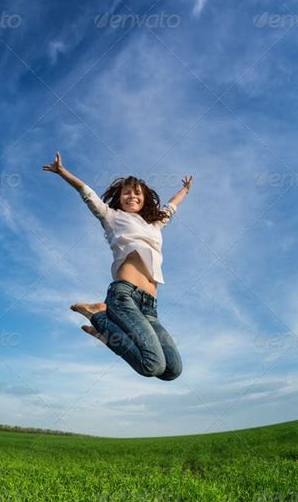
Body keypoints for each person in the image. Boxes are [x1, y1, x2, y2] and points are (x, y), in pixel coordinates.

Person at [42, 152, 193, 380]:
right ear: (119, 197)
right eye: (126, 192)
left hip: (150, 307)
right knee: (152, 366)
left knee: (172, 370)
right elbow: (87, 193)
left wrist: (185, 191)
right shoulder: (111, 217)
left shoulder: (154, 225)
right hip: (125, 297)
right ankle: (98, 316)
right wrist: (62, 172)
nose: (132, 196)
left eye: (137, 193)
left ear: (145, 198)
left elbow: (171, 207)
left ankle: (106, 334)